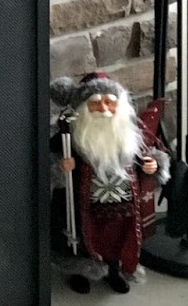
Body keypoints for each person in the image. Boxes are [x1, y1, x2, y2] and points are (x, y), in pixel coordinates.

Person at [49, 71, 169, 294]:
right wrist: (59, 167)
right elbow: (48, 161)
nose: (103, 109)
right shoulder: (68, 136)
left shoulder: (128, 134)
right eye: (95, 103)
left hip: (121, 205)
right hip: (79, 205)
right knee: (78, 240)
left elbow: (147, 154)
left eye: (109, 103)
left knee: (116, 239)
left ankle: (114, 271)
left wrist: (153, 165)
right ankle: (79, 272)